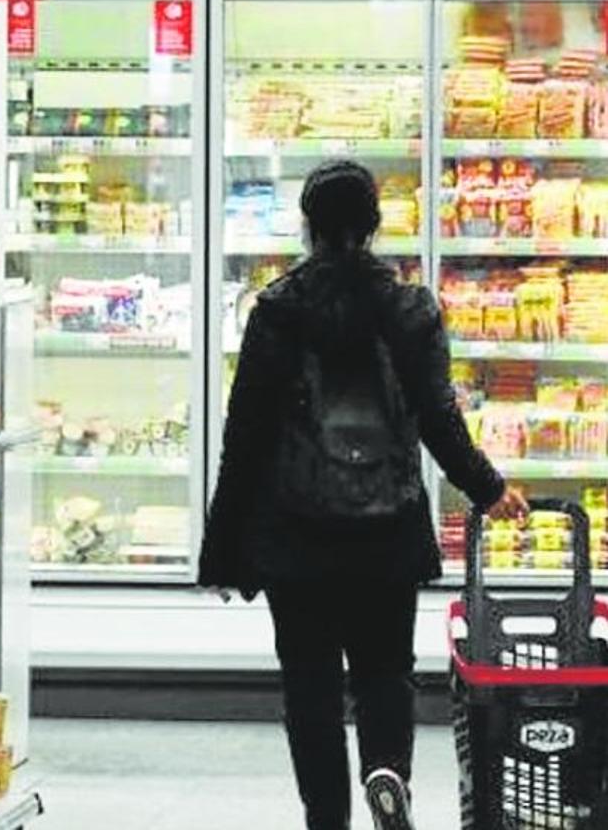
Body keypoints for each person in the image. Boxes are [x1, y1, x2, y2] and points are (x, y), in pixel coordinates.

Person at [198, 160, 528, 830]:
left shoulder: (277, 309)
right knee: (386, 672)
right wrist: (489, 489)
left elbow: (246, 436)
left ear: (308, 226)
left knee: (310, 687)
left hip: (295, 533)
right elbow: (439, 420)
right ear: (375, 225)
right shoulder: (408, 307)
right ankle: (387, 773)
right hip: (388, 526)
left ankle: (327, 816)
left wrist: (224, 546)